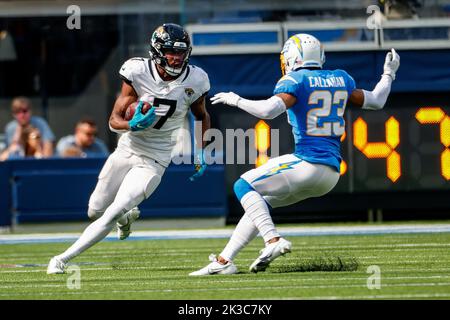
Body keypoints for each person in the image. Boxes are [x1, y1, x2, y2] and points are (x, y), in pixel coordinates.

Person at [190, 34, 400, 275]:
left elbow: (268, 110)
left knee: (242, 185)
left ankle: (272, 240)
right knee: (260, 205)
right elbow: (376, 100)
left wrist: (235, 99)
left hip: (308, 163)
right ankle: (224, 262)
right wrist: (388, 73)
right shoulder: (341, 78)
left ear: (292, 58)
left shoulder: (296, 80)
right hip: (331, 175)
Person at [47, 23, 211, 274]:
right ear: (157, 51)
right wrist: (131, 125)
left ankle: (61, 259)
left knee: (111, 212)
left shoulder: (196, 79)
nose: (177, 58)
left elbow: (201, 116)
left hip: (154, 159)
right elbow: (113, 122)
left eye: (181, 52)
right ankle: (127, 216)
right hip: (127, 148)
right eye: (170, 51)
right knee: (95, 210)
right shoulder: (137, 71)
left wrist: (201, 149)